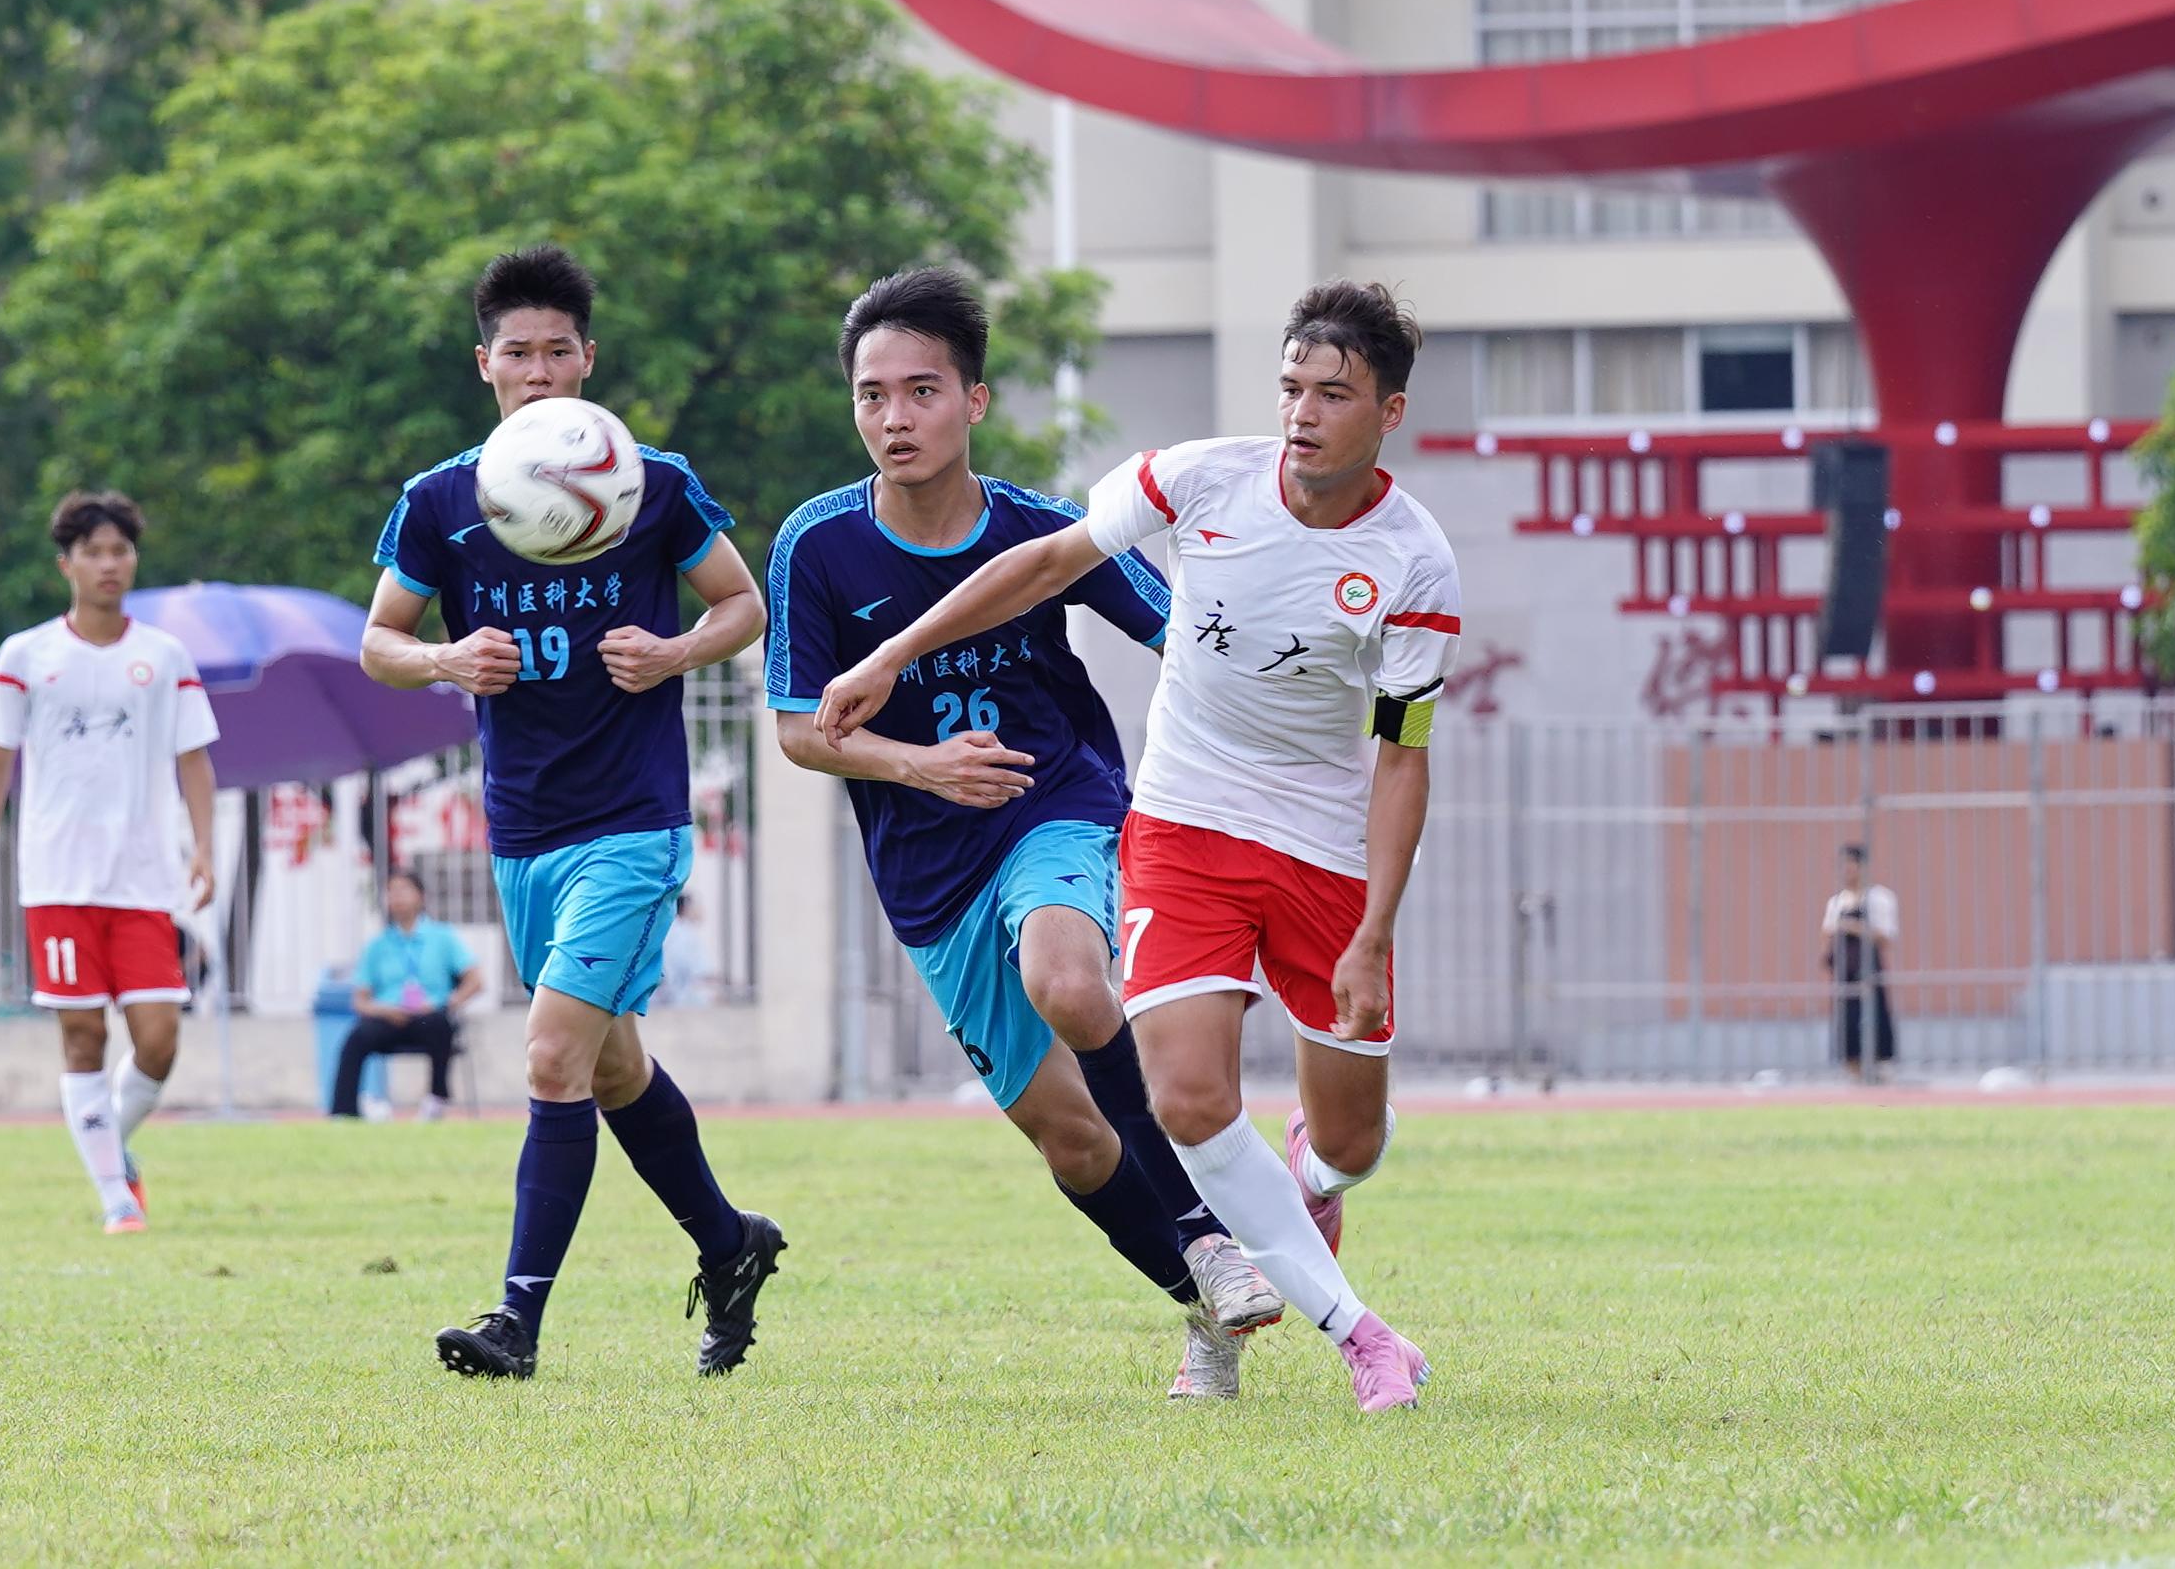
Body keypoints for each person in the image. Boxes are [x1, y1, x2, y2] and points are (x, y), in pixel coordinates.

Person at [817, 281, 1450, 1414]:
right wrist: (892, 660)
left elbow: (1401, 754)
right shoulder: (1193, 476)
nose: (1303, 414)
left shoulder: (1416, 564)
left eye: (1334, 394)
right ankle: (1344, 1330)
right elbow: (1049, 565)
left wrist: (1375, 929)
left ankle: (1298, 1178)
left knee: (1347, 1144)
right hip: (1179, 823)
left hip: (1317, 844)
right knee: (1182, 1102)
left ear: (1388, 411)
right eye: (1292, 387)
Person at [767, 267, 1290, 1402]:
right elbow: (801, 733)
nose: (894, 418)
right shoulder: (815, 546)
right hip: (926, 872)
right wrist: (917, 764)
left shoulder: (1044, 530)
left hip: (1060, 804)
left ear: (976, 400)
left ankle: (1209, 1229)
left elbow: (1182, 634)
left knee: (1068, 977)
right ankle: (1206, 1304)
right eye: (872, 396)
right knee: (1074, 1141)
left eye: (920, 390)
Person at [365, 244, 785, 1383]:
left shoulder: (650, 481)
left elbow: (742, 601)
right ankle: (729, 1243)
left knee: (551, 1056)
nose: (541, 369)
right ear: (485, 365)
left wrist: (677, 649)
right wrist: (447, 655)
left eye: (561, 349)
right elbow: (380, 640)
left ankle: (517, 1321)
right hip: (524, 828)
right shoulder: (443, 501)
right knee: (608, 1069)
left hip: (633, 821)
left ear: (588, 360)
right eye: (519, 351)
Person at [0, 490, 220, 1234]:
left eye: (121, 551)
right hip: (58, 879)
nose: (110, 564)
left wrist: (203, 845)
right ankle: (114, 1197)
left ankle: (112, 1144)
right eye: (94, 552)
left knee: (160, 1039)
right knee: (83, 1037)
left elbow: (194, 759)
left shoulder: (163, 657)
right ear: (66, 564)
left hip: (142, 878)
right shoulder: (26, 656)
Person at [332, 866, 483, 1118]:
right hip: (389, 1018)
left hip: (429, 1016)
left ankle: (436, 1100)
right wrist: (385, 1009)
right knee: (356, 1037)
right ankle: (344, 1112)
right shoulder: (377, 945)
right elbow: (360, 1001)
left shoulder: (443, 937)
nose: (397, 897)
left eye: (403, 890)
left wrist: (445, 1003)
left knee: (439, 1024)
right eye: (391, 891)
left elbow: (475, 981)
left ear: (420, 896)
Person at [1820, 844, 1898, 1082]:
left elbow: (1886, 936)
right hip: (1845, 971)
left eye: (1851, 865)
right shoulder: (1837, 901)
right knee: (1847, 1022)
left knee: (1875, 1017)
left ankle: (1880, 1068)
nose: (1847, 871)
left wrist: (1853, 927)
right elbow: (1826, 933)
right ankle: (1852, 1070)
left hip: (1869, 970)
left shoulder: (1879, 898)